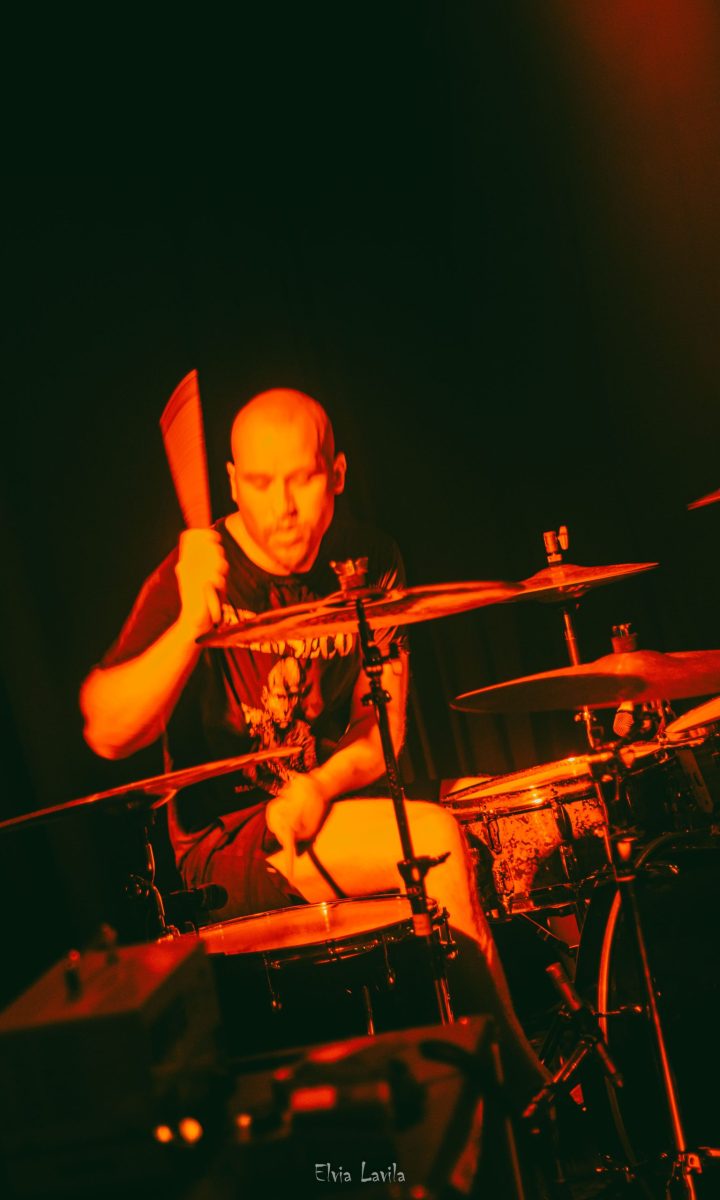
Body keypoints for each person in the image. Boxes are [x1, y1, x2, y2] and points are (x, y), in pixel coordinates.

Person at [80, 387, 546, 1103]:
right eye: (260, 483)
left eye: (301, 479)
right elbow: (106, 733)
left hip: (326, 806)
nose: (283, 507)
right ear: (232, 483)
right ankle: (518, 1085)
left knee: (498, 814)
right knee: (435, 839)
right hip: (227, 842)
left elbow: (382, 730)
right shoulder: (199, 569)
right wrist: (187, 628)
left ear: (337, 474)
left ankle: (502, 1047)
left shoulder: (368, 561)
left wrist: (322, 785)